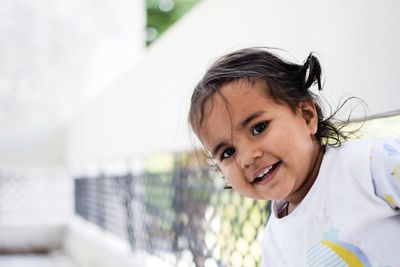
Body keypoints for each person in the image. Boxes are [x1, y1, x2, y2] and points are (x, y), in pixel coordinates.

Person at [188, 47, 400, 266]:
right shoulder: (273, 242)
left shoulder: (372, 164)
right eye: (228, 152)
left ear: (307, 116)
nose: (246, 159)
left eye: (259, 128)